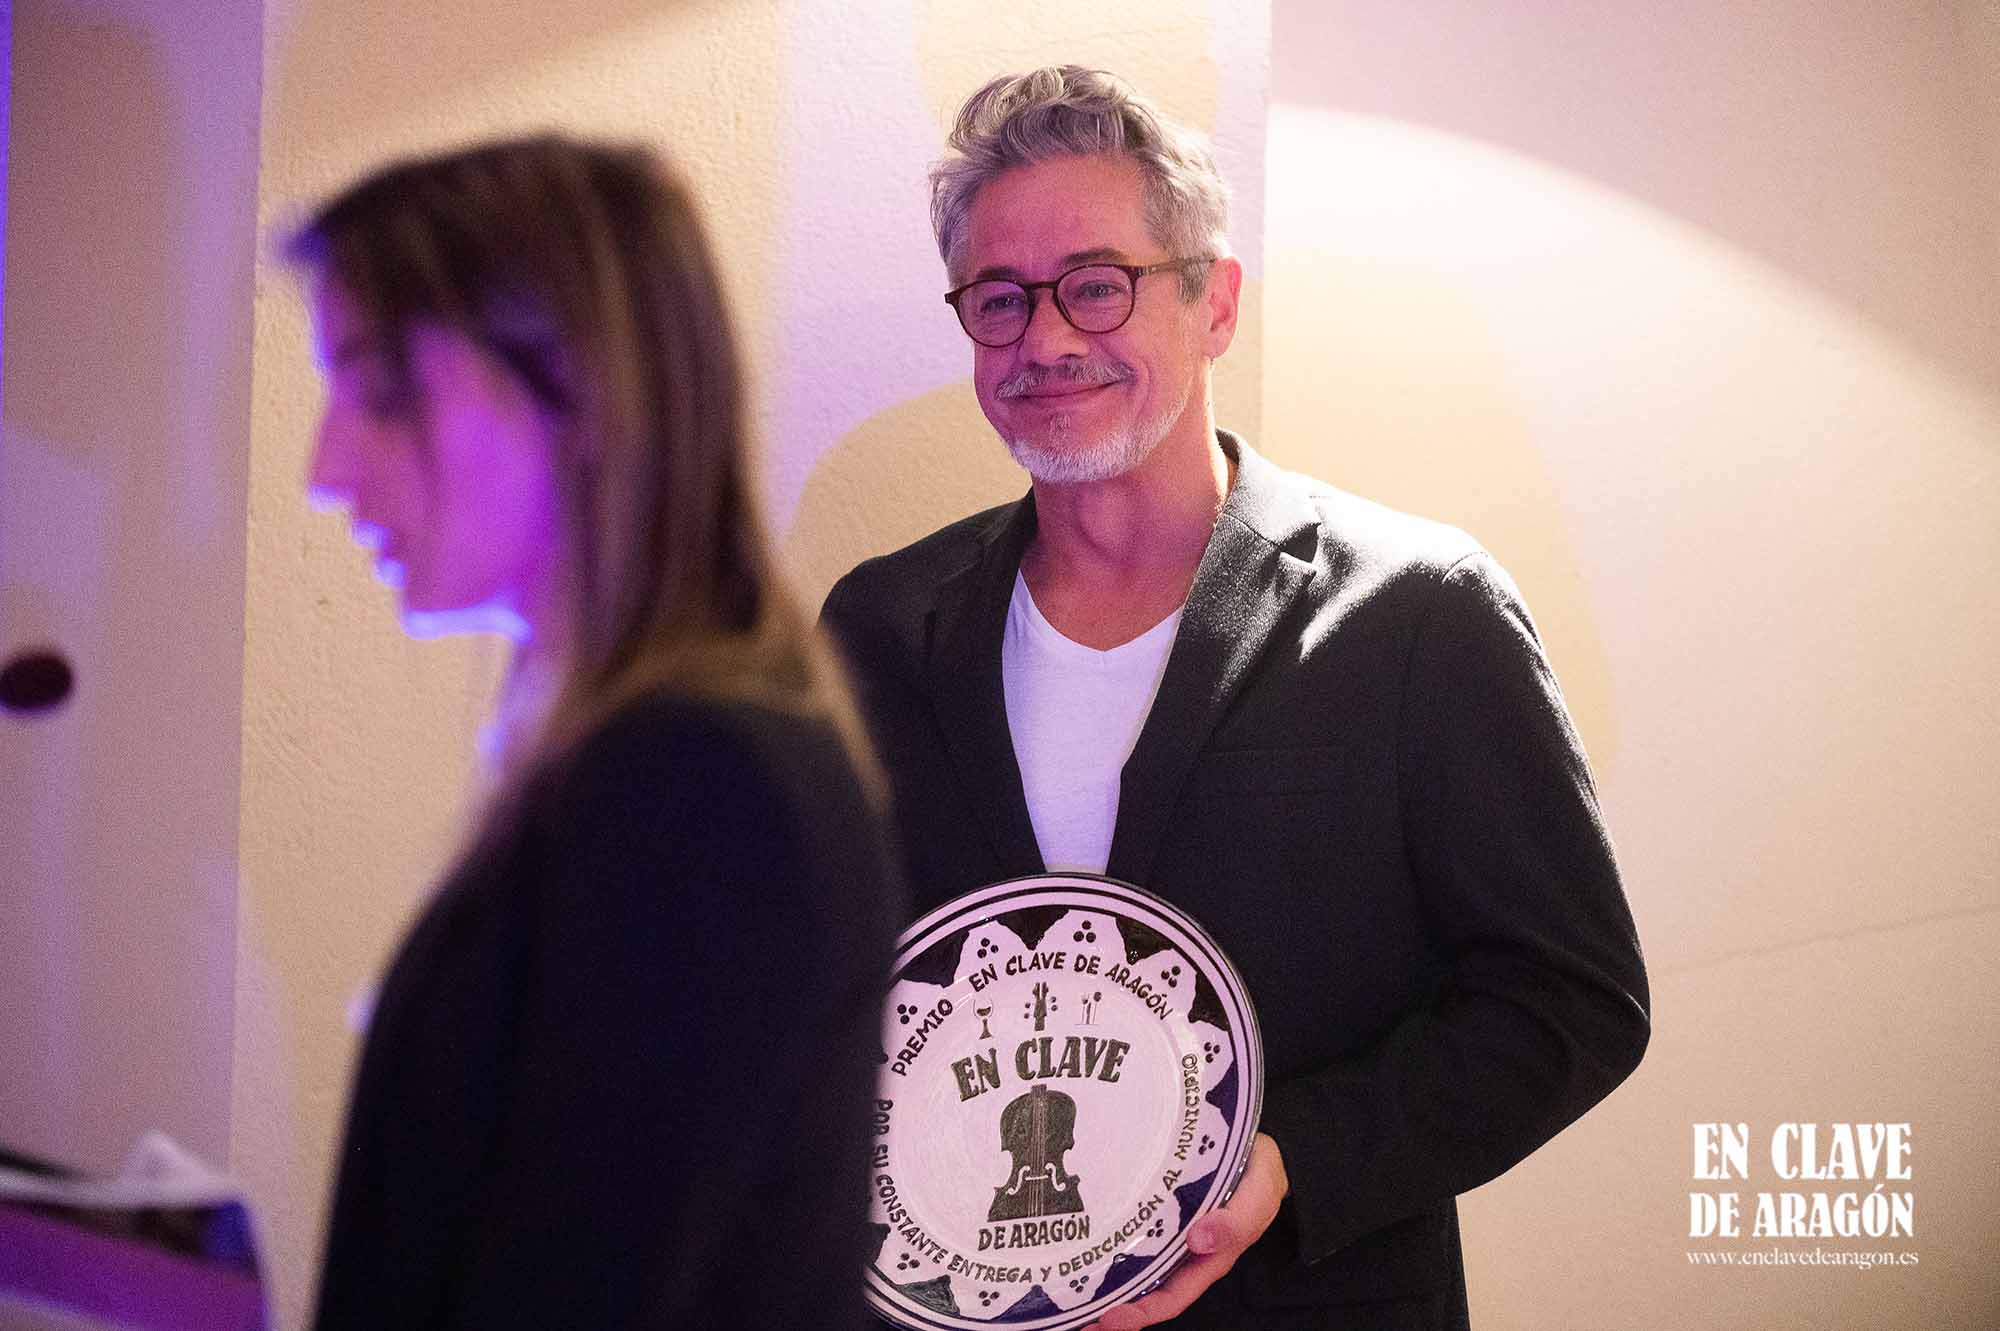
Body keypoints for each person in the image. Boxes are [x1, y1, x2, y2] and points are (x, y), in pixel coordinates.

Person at [820, 67, 1649, 1330]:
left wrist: (1289, 1159)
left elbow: (1569, 999)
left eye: (1096, 284)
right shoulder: (880, 627)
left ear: (1212, 302)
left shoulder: (1416, 612)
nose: (1044, 339)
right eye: (999, 299)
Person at [293, 134, 904, 1330]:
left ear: (579, 382)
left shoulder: (698, 789)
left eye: (381, 390)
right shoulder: (653, 760)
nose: (327, 465)